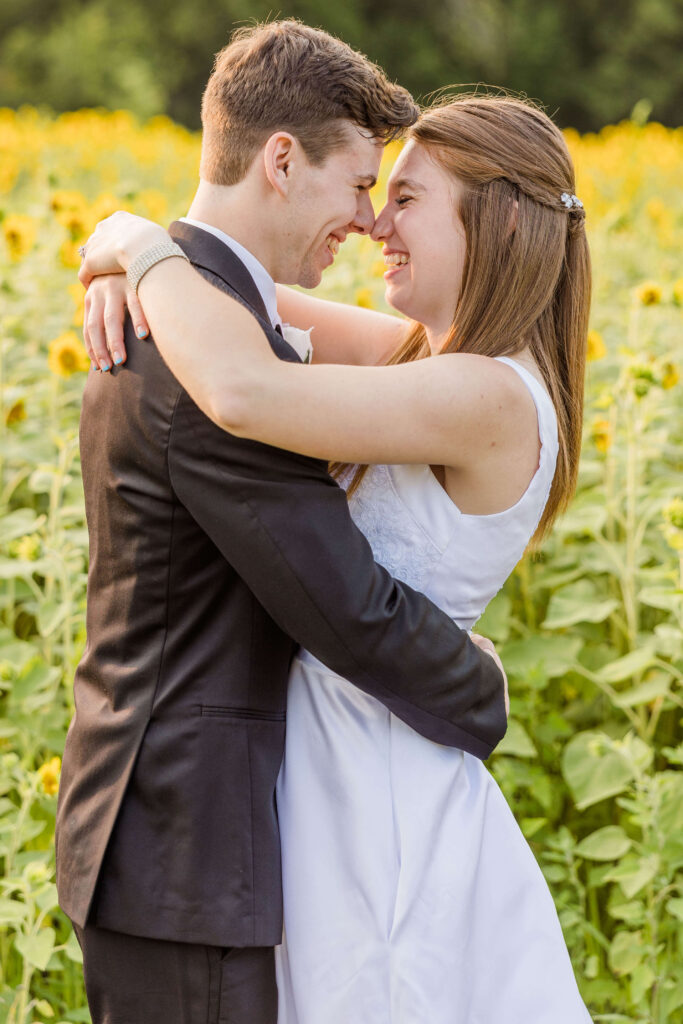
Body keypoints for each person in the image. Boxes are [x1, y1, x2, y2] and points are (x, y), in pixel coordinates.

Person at [80, 87, 594, 1021]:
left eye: (406, 199)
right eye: (373, 193)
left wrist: (137, 247)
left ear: (493, 218)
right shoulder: (417, 357)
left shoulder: (486, 395)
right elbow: (232, 285)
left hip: (379, 781)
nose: (374, 225)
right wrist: (119, 257)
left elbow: (242, 385)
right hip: (324, 761)